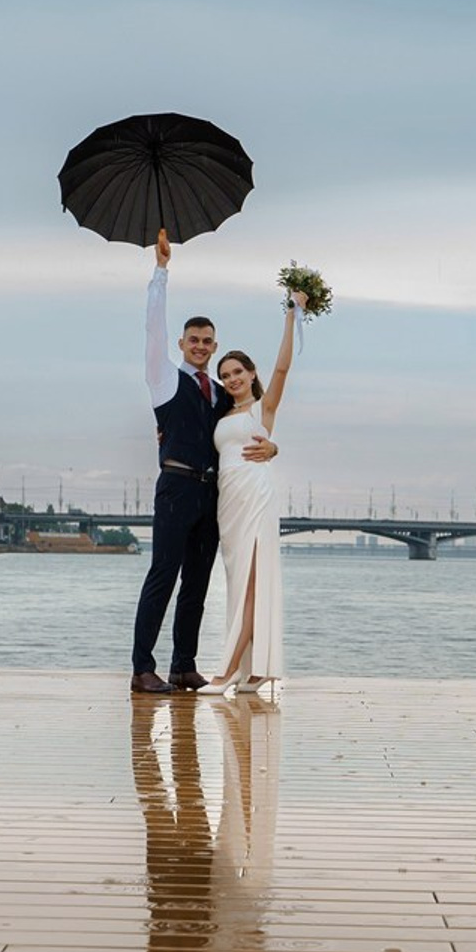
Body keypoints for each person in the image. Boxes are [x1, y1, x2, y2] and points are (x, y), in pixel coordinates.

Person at [130, 230, 277, 694]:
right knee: (163, 576)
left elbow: (243, 430)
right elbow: (152, 328)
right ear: (181, 344)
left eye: (207, 341)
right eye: (193, 339)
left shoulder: (218, 393)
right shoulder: (164, 379)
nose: (200, 346)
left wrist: (273, 447)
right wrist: (161, 272)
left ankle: (183, 665)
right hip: (175, 489)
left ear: (215, 347)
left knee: (196, 583)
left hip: (211, 493)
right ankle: (141, 669)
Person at [198, 288, 307, 695]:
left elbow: (281, 371)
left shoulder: (263, 408)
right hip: (229, 503)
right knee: (240, 582)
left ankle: (226, 672)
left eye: (237, 373)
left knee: (249, 583)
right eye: (225, 376)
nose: (231, 380)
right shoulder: (220, 413)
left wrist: (292, 316)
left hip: (257, 498)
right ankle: (254, 670)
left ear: (250, 373)